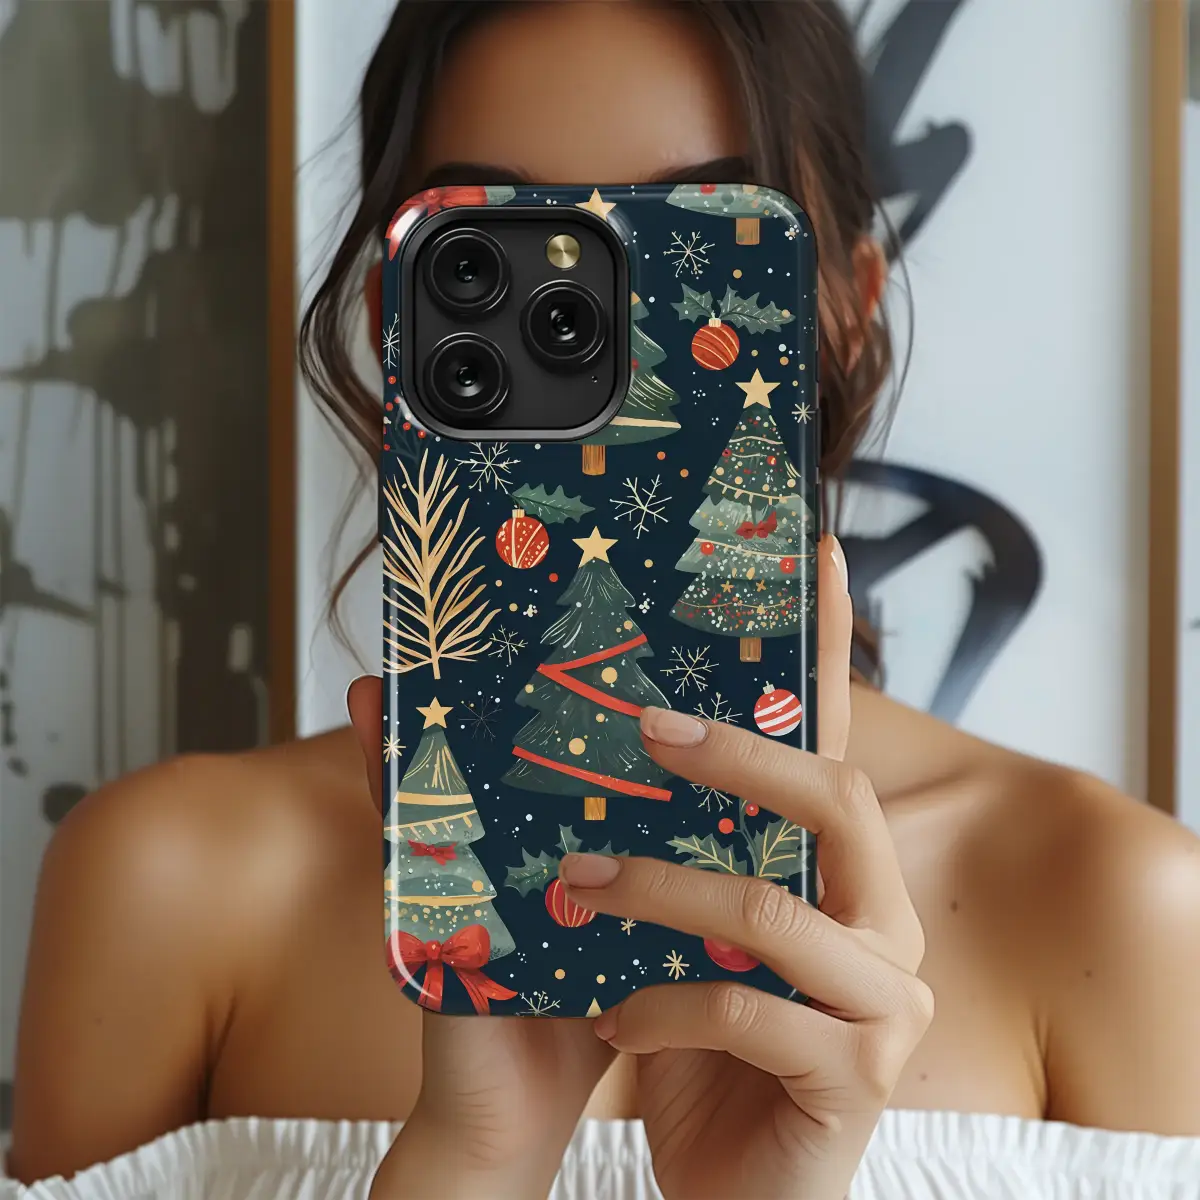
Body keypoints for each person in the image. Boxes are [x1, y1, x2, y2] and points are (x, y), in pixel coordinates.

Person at [7, 2, 1200, 1197]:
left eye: (697, 241)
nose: (607, 331)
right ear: (394, 321)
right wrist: (476, 1160)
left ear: (844, 310)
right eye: (496, 248)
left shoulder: (1116, 907)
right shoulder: (168, 886)